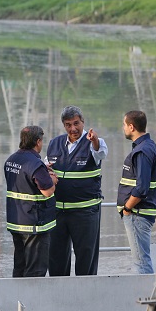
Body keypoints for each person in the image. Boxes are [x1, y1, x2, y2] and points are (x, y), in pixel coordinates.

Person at [46, 106, 108, 276]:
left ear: (83, 122)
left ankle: (86, 297)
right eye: (68, 125)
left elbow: (100, 153)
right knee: (56, 258)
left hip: (85, 213)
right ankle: (59, 296)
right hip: (58, 212)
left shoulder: (95, 143)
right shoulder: (54, 144)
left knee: (85, 258)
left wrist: (94, 140)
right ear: (64, 126)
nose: (73, 128)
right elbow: (45, 168)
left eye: (76, 123)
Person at [4, 125, 58, 277]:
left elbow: (23, 180)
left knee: (19, 267)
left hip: (16, 222)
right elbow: (48, 191)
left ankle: (17, 299)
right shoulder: (35, 164)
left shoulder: (11, 160)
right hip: (34, 225)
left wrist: (42, 170)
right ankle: (31, 301)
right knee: (36, 270)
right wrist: (51, 179)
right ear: (38, 141)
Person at [117, 110, 156, 274]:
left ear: (131, 126)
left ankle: (146, 298)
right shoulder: (150, 146)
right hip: (142, 212)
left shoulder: (141, 151)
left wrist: (127, 208)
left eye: (124, 125)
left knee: (141, 263)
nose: (123, 128)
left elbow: (142, 187)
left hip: (137, 213)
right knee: (142, 260)